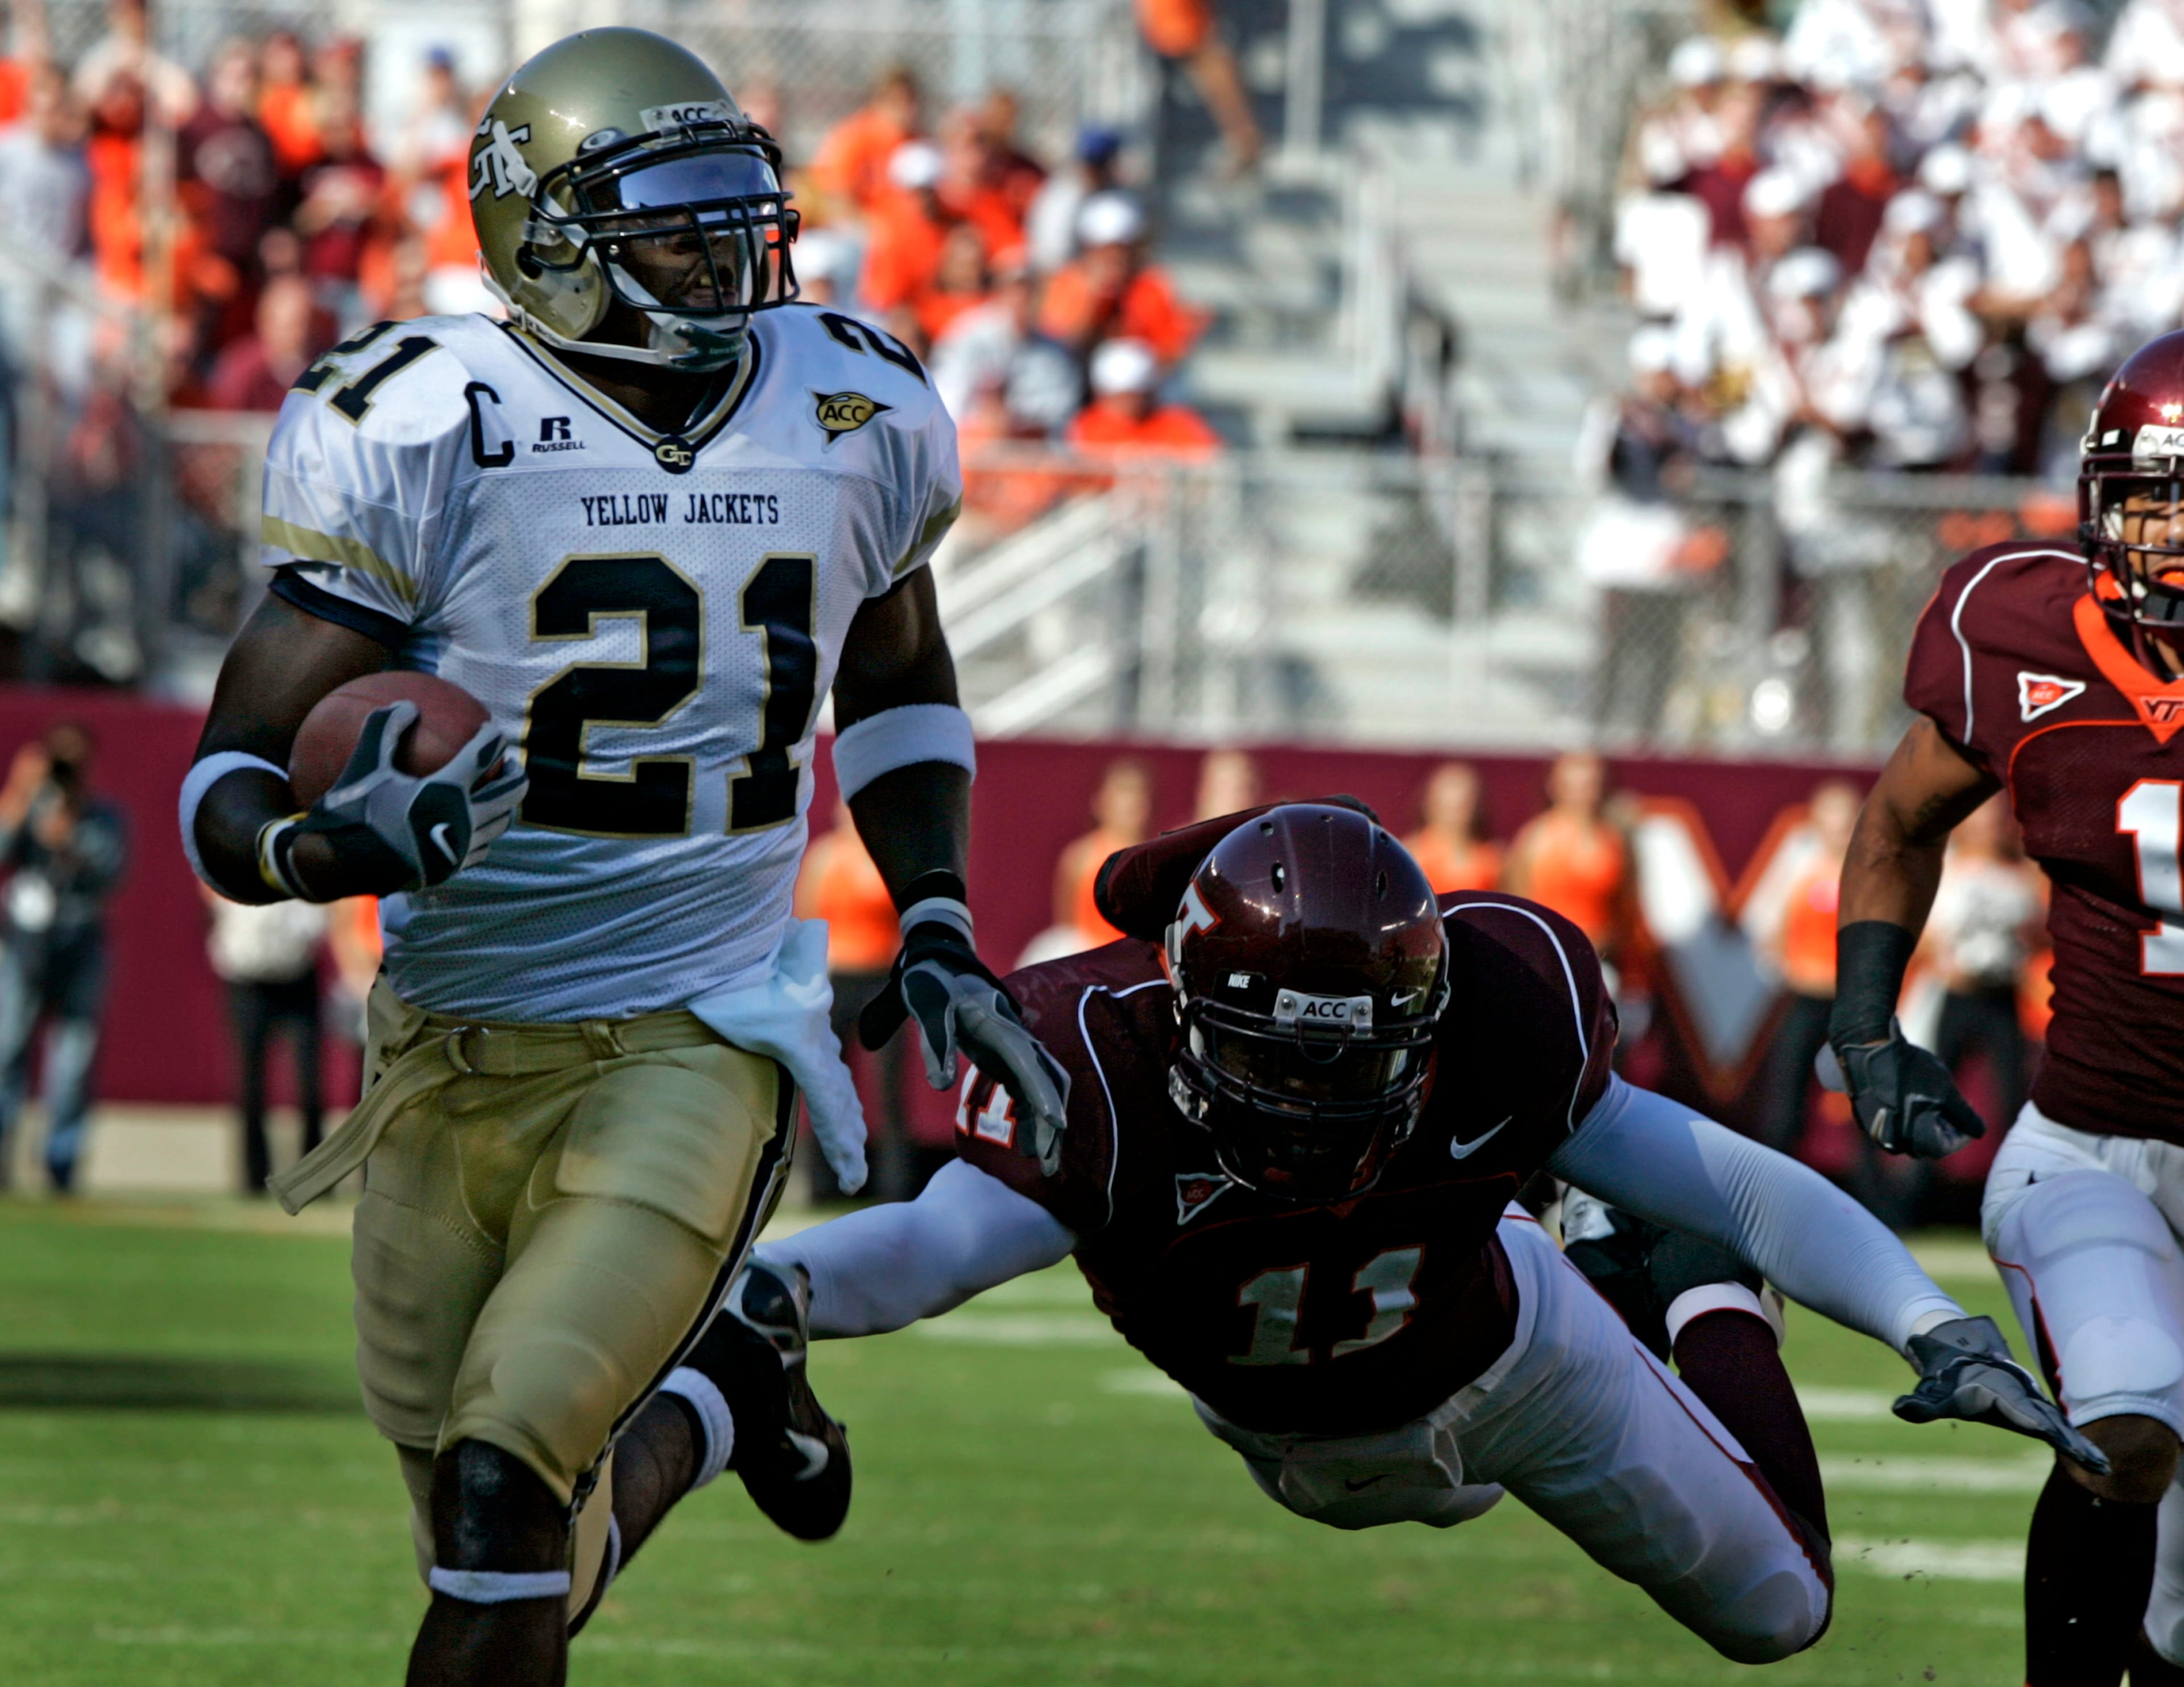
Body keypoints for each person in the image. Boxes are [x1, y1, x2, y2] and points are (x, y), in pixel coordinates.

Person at [176, 32, 1063, 1687]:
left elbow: (894, 677)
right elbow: (224, 777)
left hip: (701, 1034)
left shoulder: (852, 398)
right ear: (544, 240)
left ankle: (707, 1360)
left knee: (509, 1494)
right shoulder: (427, 417)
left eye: (738, 217)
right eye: (669, 223)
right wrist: (316, 841)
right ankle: (731, 1390)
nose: (725, 259)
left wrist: (935, 917)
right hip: (445, 1056)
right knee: (510, 1543)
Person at [744, 802, 2094, 1665]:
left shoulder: (1496, 1000)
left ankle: (1691, 1292)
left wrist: (1932, 1321)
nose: (1318, 1100)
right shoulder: (1090, 1058)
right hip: (1290, 1422)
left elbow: (1739, 1179)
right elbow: (922, 1251)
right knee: (1431, 1494)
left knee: (1781, 1610)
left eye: (1356, 1059)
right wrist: (761, 1285)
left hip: (1512, 1350)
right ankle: (1634, 1260)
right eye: (1282, 1058)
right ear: (1186, 1012)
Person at [1827, 329, 2184, 1687]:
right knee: (2128, 1418)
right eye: (2148, 492)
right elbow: (1898, 817)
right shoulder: (2019, 624)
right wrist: (1867, 1025)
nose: (2165, 530)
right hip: (2088, 1145)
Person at [0, 721, 125, 1192]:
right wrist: (19, 791)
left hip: (80, 942)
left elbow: (112, 872)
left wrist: (69, 837)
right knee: (7, 1047)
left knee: (73, 1058)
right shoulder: (27, 806)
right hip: (24, 945)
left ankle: (61, 1159)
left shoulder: (104, 816)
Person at [794, 800, 906, 1201]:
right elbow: (808, 915)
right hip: (838, 977)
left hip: (882, 978)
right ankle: (823, 1186)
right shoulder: (825, 857)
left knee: (889, 1088)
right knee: (827, 1082)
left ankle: (894, 1187)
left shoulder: (890, 855)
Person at [1923, 793, 2042, 1141]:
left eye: (1997, 818)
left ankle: (2014, 1190)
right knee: (1936, 1103)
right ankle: (1915, 1191)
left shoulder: (2020, 874)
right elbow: (1924, 935)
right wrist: (1944, 962)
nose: (1990, 826)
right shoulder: (1947, 868)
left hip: (2002, 998)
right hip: (1956, 995)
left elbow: (2039, 932)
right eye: (1982, 817)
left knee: (2011, 1102)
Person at [1756, 780, 1860, 1156]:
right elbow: (1770, 931)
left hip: (1852, 1004)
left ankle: (1875, 1199)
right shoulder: (1799, 870)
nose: (1841, 826)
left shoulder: (1869, 876)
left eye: (1849, 817)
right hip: (1805, 998)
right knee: (1786, 1098)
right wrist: (1789, 968)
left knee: (1863, 1101)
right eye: (1833, 816)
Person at [201, 886, 326, 1192]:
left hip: (297, 975)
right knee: (250, 1084)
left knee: (309, 1081)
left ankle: (316, 1175)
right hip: (246, 980)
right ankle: (254, 1177)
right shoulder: (233, 851)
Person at [1503, 751, 1632, 963]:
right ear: (1555, 787)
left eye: (1591, 785)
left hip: (1603, 961)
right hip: (1549, 959)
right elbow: (1518, 907)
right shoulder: (1536, 838)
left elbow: (1625, 908)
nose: (1583, 794)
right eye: (1575, 786)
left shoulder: (1615, 840)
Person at [1050, 758, 1154, 950]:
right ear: (1100, 801)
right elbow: (1066, 927)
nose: (1130, 803)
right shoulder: (1079, 857)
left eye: (1137, 793)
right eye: (1122, 792)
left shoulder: (1155, 859)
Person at [1064, 337, 1222, 457]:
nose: (1127, 402)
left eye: (1134, 393)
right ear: (1101, 393)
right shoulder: (1084, 427)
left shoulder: (1179, 424)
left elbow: (1213, 466)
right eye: (1119, 395)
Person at [1403, 760, 1502, 894]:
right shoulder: (1410, 856)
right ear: (1429, 804)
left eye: (1462, 806)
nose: (1454, 816)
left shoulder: (1492, 862)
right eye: (1447, 807)